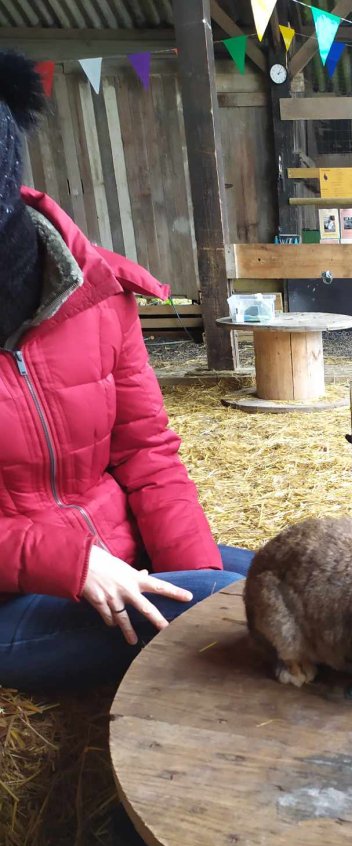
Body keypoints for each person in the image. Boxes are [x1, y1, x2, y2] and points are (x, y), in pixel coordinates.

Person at [0, 52, 252, 693]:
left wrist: (193, 578)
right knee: (250, 619)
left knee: (300, 580)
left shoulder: (98, 293)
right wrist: (68, 561)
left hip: (118, 552)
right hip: (17, 600)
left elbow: (147, 454)